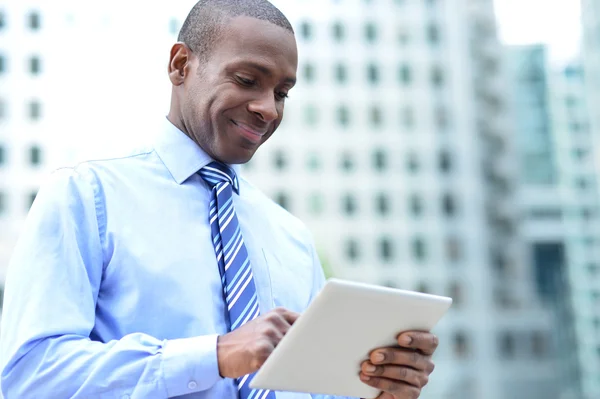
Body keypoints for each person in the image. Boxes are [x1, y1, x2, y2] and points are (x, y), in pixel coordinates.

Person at [0, 1, 439, 398]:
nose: (269, 109)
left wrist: (378, 389)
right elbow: (28, 376)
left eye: (282, 93)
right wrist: (216, 355)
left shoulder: (291, 237)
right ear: (180, 65)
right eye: (248, 80)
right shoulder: (87, 195)